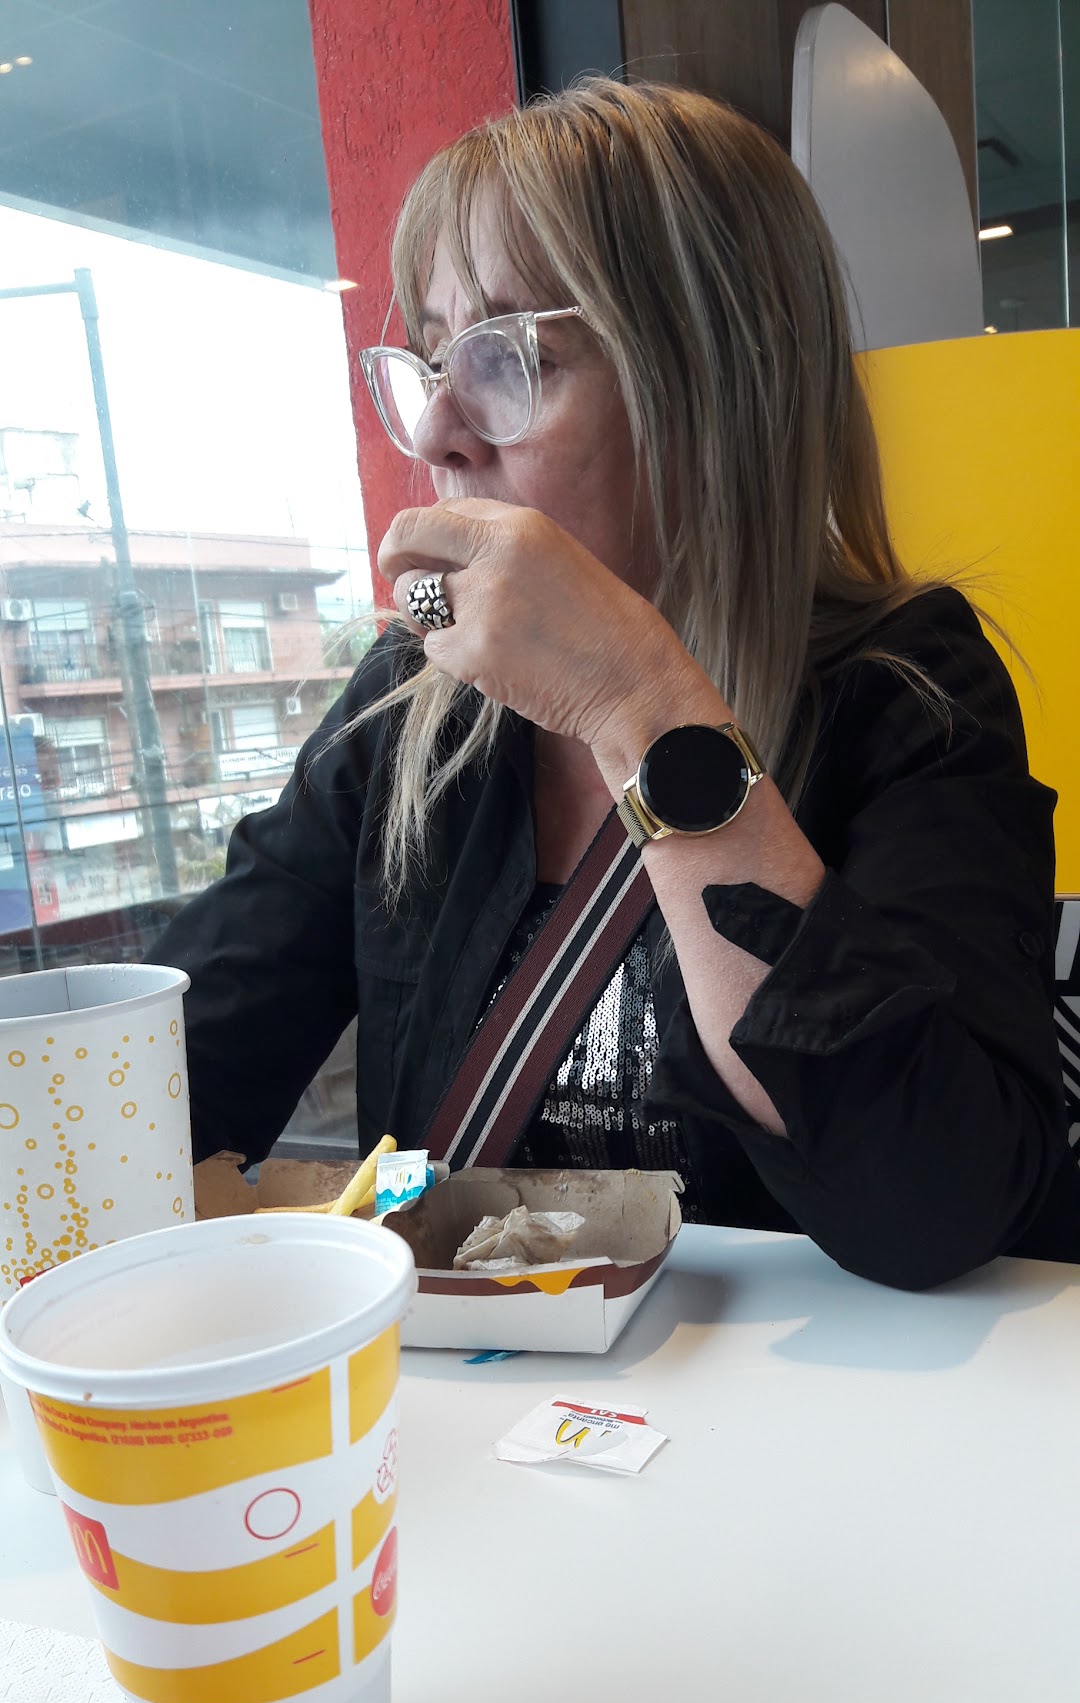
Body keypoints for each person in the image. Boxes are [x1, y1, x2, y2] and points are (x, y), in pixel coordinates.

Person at [149, 78, 1080, 1287]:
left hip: (792, 1398)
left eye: (506, 358)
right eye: (431, 359)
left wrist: (643, 707)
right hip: (461, 1388)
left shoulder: (908, 689)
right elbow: (179, 1076)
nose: (434, 433)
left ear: (711, 383)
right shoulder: (409, 703)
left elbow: (936, 1204)